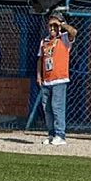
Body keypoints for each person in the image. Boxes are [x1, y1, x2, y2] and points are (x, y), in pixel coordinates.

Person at [37, 12, 77, 146]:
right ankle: (51, 133)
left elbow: (74, 32)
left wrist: (62, 24)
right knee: (46, 108)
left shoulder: (64, 39)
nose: (52, 29)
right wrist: (39, 75)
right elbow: (40, 59)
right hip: (47, 79)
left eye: (55, 26)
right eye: (50, 26)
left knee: (57, 107)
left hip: (59, 79)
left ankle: (60, 134)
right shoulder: (44, 41)